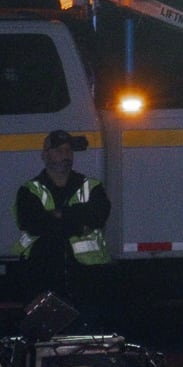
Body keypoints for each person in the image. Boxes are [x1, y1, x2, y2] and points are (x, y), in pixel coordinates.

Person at [14, 129, 111, 311]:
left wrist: (57, 215)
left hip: (87, 277)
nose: (65, 155)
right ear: (44, 155)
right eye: (58, 150)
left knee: (88, 333)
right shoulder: (29, 190)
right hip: (43, 274)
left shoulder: (91, 186)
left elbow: (98, 216)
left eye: (68, 150)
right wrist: (76, 220)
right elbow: (31, 223)